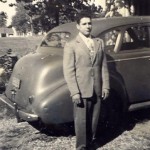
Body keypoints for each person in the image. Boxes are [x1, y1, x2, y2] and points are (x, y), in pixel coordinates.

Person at [63, 12, 110, 150]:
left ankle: (91, 143)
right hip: (81, 89)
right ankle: (81, 147)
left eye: (89, 23)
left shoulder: (99, 42)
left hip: (97, 88)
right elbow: (69, 71)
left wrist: (106, 86)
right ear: (78, 26)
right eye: (84, 24)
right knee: (81, 122)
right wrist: (75, 92)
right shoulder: (71, 45)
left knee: (95, 119)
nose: (88, 26)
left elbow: (103, 67)